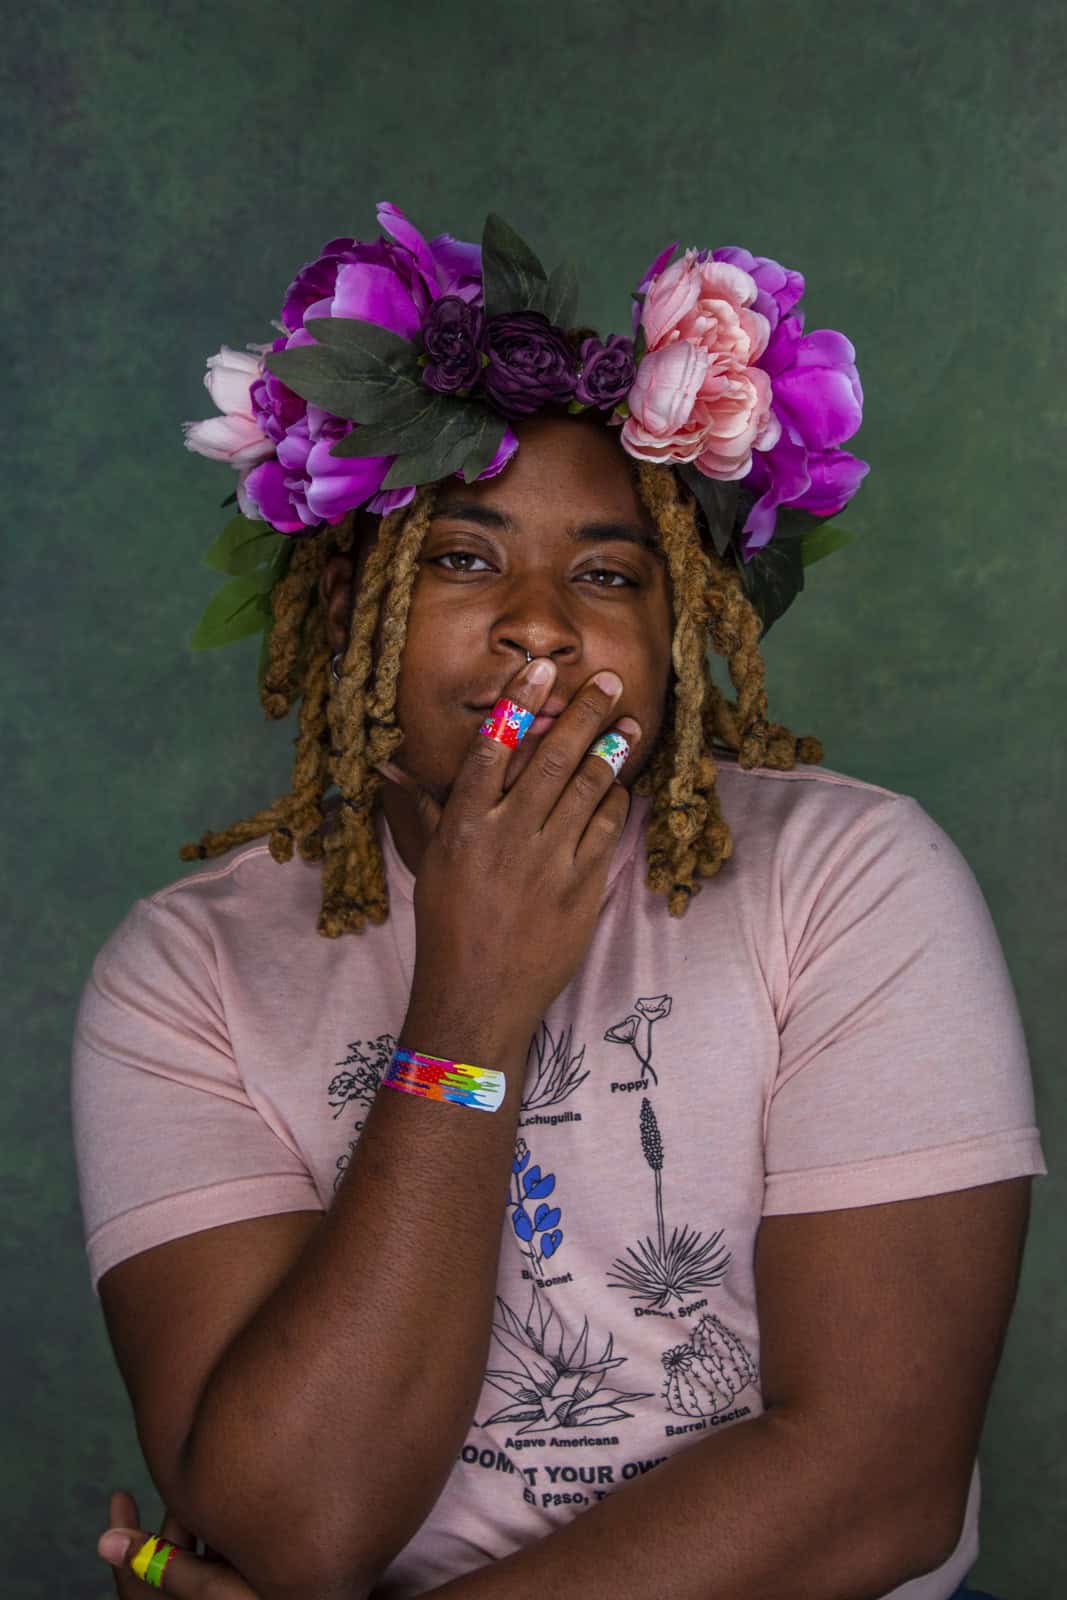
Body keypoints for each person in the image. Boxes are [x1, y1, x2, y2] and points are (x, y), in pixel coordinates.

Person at [76, 204, 1046, 1600]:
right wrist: (469, 1006)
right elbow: (295, 1530)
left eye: (607, 574)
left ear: (677, 629)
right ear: (349, 607)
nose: (541, 623)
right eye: (464, 560)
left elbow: (877, 1485)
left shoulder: (851, 880)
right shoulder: (189, 971)